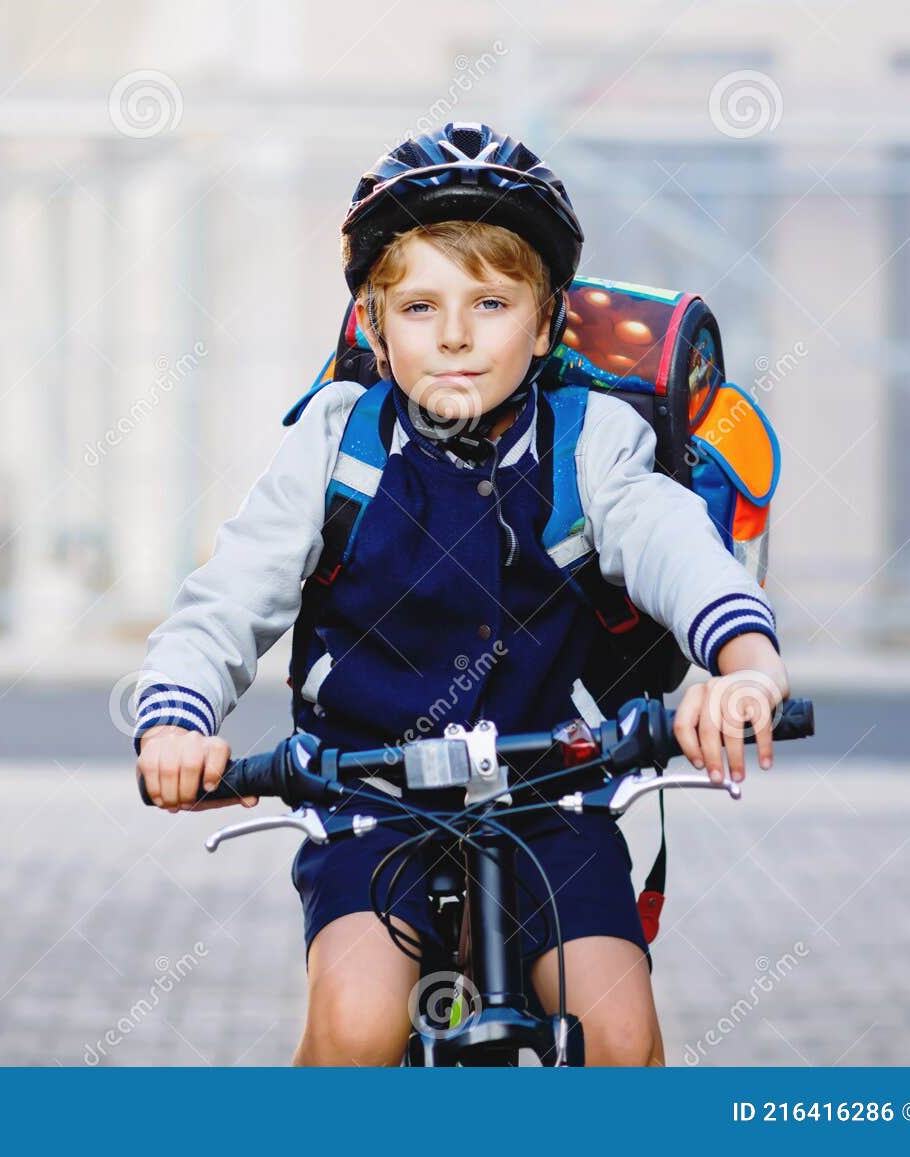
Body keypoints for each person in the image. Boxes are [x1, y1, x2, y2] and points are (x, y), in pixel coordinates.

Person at [132, 123, 790, 1066]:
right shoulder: (337, 441)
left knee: (622, 1035)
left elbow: (671, 544)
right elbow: (228, 597)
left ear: (548, 319)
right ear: (372, 321)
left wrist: (744, 668)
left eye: (490, 302)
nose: (452, 335)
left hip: (555, 791)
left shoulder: (588, 437)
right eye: (418, 307)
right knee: (356, 1026)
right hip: (368, 794)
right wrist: (175, 721)